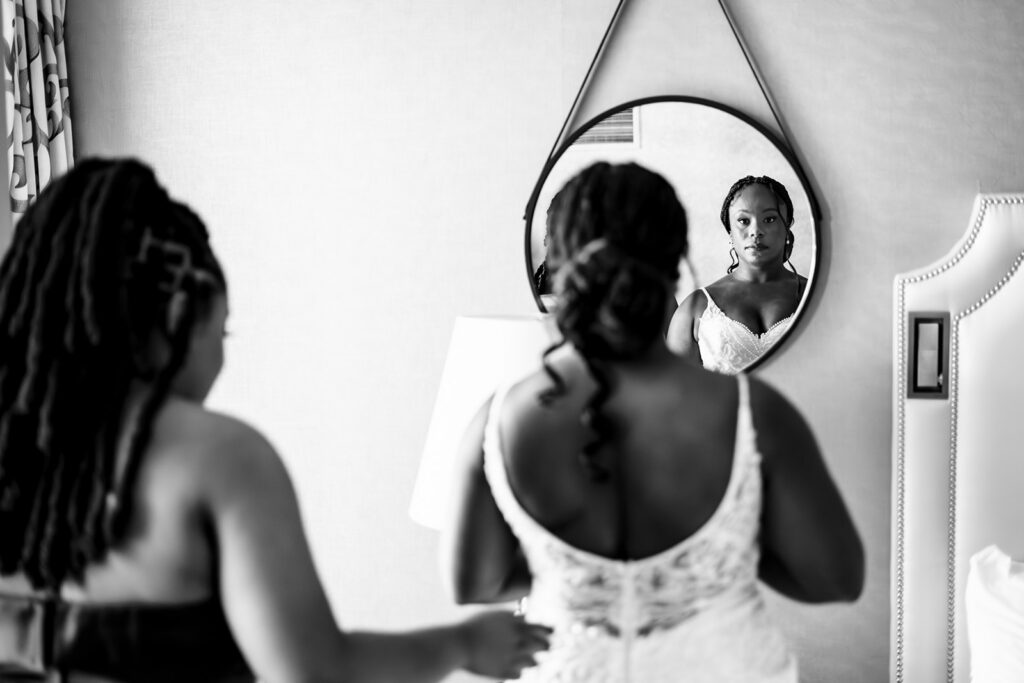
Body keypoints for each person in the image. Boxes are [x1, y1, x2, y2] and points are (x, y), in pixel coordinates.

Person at [0, 158, 550, 682]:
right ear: (178, 317)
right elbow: (316, 672)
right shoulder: (223, 458)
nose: (222, 358)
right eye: (224, 333)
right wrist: (463, 645)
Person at [442, 162, 863, 682]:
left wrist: (582, 578)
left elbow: (472, 584)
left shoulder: (499, 419)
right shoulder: (755, 414)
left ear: (562, 262)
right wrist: (718, 557)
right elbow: (837, 579)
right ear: (675, 259)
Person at [666, 175, 807, 374]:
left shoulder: (819, 296)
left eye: (769, 219)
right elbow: (678, 393)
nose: (756, 231)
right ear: (730, 232)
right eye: (743, 220)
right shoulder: (696, 308)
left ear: (787, 226)